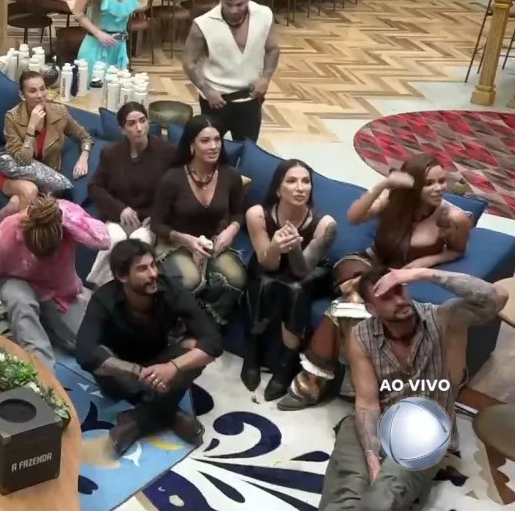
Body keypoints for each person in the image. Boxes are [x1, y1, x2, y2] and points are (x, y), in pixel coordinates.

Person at [280, 153, 471, 411]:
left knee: (347, 304)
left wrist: (425, 261)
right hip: (365, 264)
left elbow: (456, 251)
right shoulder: (394, 199)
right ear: (412, 184)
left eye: (442, 181)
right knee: (359, 291)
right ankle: (350, 382)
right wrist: (384, 184)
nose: (438, 188)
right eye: (429, 183)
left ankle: (311, 382)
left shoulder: (454, 218)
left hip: (394, 277)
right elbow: (354, 217)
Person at [319, 266, 507, 511]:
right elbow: (367, 403)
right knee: (345, 494)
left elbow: (497, 298)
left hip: (426, 428)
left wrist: (422, 274)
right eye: (387, 297)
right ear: (372, 309)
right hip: (376, 420)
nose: (399, 300)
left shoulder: (444, 319)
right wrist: (373, 460)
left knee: (381, 500)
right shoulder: (361, 336)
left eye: (400, 290)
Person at [76, 239, 218, 456]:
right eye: (142, 269)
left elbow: (213, 342)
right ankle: (169, 412)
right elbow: (84, 351)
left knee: (195, 347)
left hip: (159, 365)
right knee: (98, 356)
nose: (153, 274)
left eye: (153, 265)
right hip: (121, 375)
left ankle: (136, 421)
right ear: (122, 276)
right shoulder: (104, 299)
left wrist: (172, 367)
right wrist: (136, 372)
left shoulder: (169, 289)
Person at [0, 195, 110, 367]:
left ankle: (22, 321)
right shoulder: (2, 238)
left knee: (84, 343)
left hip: (56, 291)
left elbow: (104, 240)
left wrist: (67, 218)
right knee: (23, 309)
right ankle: (43, 369)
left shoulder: (66, 219)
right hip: (15, 284)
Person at [243, 159, 337, 399]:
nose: (300, 188)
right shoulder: (257, 215)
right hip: (270, 261)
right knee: (264, 281)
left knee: (296, 288)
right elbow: (269, 264)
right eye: (292, 181)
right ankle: (252, 353)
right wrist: (275, 246)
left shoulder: (325, 225)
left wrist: (294, 246)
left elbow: (301, 271)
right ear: (278, 189)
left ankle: (286, 364)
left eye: (306, 182)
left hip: (308, 270)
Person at [149, 115, 247, 324]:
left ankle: (208, 322)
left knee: (236, 278)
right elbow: (157, 224)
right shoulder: (172, 178)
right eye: (205, 141)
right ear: (191, 145)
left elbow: (239, 212)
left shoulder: (230, 176)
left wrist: (231, 230)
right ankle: (175, 326)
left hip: (213, 243)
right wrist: (185, 239)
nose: (214, 146)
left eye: (217, 139)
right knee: (190, 280)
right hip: (175, 243)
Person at [0, 70, 93, 235]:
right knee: (30, 191)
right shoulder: (12, 118)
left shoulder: (59, 112)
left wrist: (83, 157)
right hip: (17, 173)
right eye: (32, 91)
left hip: (45, 178)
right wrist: (31, 129)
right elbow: (23, 160)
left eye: (42, 89)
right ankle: (22, 239)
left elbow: (85, 137)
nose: (39, 95)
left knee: (15, 204)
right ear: (22, 95)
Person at [181, 0, 280, 142]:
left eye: (239, 4)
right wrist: (206, 90)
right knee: (210, 151)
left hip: (250, 98)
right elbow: (189, 61)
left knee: (247, 150)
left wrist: (266, 78)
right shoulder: (203, 24)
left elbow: (273, 49)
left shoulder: (264, 15)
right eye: (228, 4)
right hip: (216, 100)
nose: (234, 10)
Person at [85, 102, 175, 286]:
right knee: (114, 240)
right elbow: (95, 187)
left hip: (148, 222)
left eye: (142, 121)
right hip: (118, 217)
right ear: (122, 129)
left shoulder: (167, 153)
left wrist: (156, 215)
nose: (139, 128)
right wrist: (120, 209)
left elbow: (175, 191)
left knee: (136, 245)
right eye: (131, 123)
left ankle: (114, 290)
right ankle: (103, 287)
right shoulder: (111, 154)